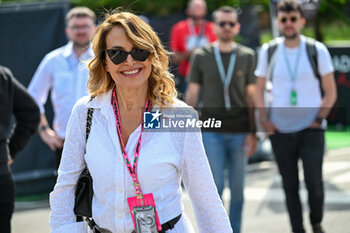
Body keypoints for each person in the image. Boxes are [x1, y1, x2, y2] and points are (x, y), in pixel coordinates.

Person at [49, 11, 233, 233]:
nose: (129, 61)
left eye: (139, 51)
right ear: (105, 62)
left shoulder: (178, 117)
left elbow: (206, 201)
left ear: (153, 56)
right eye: (117, 53)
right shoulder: (85, 112)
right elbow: (65, 190)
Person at [255, 1, 337, 233]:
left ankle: (317, 222)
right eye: (283, 19)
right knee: (289, 186)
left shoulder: (316, 49)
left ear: (302, 21)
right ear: (277, 22)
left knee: (314, 183)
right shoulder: (268, 50)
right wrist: (265, 121)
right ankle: (298, 229)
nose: (288, 24)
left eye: (293, 19)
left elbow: (330, 90)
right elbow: (258, 89)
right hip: (280, 131)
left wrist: (318, 119)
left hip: (311, 129)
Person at [185, 6, 257, 233]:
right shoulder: (201, 55)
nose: (227, 27)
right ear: (214, 27)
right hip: (211, 131)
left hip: (240, 131)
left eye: (231, 24)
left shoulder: (247, 56)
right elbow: (192, 95)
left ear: (237, 27)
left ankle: (234, 230)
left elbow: (251, 96)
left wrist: (255, 132)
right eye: (222, 23)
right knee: (214, 189)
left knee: (238, 190)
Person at [28, 7, 96, 169]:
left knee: (103, 192)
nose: (80, 31)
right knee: (68, 193)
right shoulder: (53, 60)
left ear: (94, 29)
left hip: (101, 141)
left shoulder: (104, 59)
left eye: (85, 26)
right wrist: (44, 131)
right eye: (75, 27)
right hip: (65, 143)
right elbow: (32, 98)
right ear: (67, 31)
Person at [0, 66, 40, 233]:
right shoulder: (3, 76)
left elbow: (31, 113)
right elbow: (31, 113)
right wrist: (11, 150)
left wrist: (11, 149)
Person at [170, 0, 217, 96]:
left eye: (201, 17)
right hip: (187, 77)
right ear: (188, 12)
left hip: (209, 77)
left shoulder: (213, 28)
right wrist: (191, 53)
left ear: (205, 12)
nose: (198, 20)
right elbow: (174, 58)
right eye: (195, 17)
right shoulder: (179, 28)